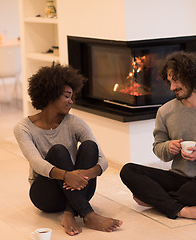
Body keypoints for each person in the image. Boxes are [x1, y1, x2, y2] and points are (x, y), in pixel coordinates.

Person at [120, 51, 196, 221]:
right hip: (178, 178)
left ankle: (156, 199)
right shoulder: (166, 111)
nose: (172, 87)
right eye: (169, 81)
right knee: (128, 170)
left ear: (192, 77)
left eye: (176, 80)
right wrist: (168, 147)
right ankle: (181, 209)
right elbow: (158, 146)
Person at [14, 63, 122, 236]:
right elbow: (36, 163)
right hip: (46, 195)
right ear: (50, 95)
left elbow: (102, 159)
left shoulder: (74, 122)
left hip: (79, 186)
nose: (71, 101)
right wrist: (67, 175)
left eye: (72, 97)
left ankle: (70, 213)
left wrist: (82, 175)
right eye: (67, 96)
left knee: (89, 146)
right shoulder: (23, 128)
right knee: (58, 151)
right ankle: (89, 214)